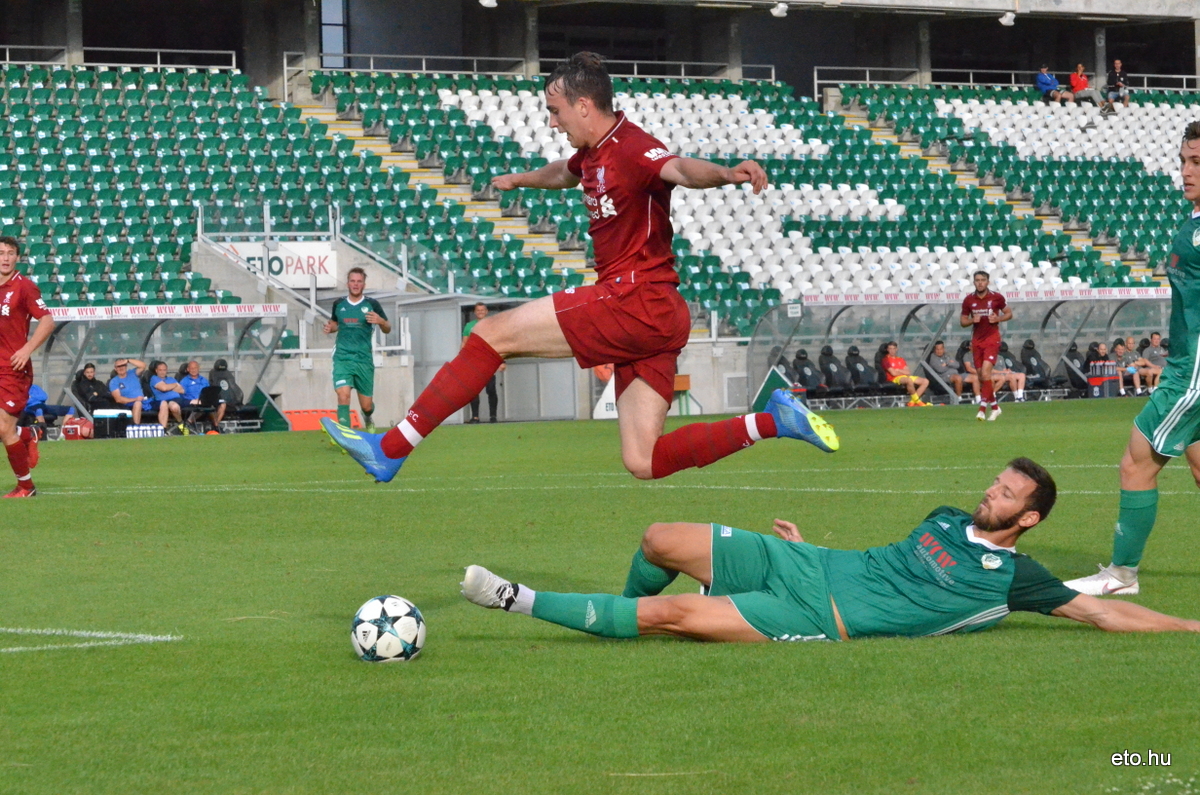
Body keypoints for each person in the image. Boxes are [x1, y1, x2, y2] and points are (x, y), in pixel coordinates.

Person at [322, 52, 839, 483]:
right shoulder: (590, 154)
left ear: (585, 105)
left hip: (635, 300)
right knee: (643, 460)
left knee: (490, 333)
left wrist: (727, 172)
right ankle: (774, 420)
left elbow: (678, 168)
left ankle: (391, 448)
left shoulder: (634, 148)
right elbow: (562, 175)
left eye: (555, 110)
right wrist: (518, 180)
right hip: (657, 315)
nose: (552, 120)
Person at [462, 459, 1200, 642]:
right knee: (660, 537)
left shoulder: (1015, 577)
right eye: (995, 484)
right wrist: (810, 544)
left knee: (674, 612)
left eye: (1007, 495)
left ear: (1030, 518)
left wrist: (1189, 629)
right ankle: (610, 615)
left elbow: (1104, 615)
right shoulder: (944, 517)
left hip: (821, 611)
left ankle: (514, 598)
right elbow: (886, 557)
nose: (991, 494)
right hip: (809, 564)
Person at [1065, 122, 1200, 597]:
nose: (1185, 172)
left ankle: (1122, 576)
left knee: (1135, 461)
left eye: (1197, 163)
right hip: (1189, 362)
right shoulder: (1195, 222)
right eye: (1183, 161)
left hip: (1194, 372)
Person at [0, 236, 54, 497]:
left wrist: (26, 349)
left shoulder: (24, 287)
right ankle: (27, 433)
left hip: (13, 367)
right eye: (1, 253)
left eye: (10, 253)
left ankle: (26, 486)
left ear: (17, 257)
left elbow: (47, 320)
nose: (5, 257)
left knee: (2, 428)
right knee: (4, 428)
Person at [323, 267, 390, 432]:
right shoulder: (339, 304)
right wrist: (331, 328)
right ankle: (346, 436)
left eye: (359, 281)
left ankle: (367, 417)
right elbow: (336, 324)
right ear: (347, 283)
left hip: (363, 360)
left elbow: (387, 328)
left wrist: (381, 321)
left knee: (367, 406)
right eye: (352, 281)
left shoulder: (372, 304)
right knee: (343, 395)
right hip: (342, 357)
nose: (355, 284)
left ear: (364, 284)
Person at [960, 270, 1012, 421]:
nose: (980, 282)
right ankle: (995, 407)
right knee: (982, 377)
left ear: (988, 282)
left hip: (992, 339)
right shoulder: (969, 300)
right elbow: (963, 321)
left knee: (985, 373)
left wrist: (998, 318)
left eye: (983, 280)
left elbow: (1009, 313)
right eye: (977, 280)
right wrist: (971, 320)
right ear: (974, 282)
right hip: (976, 341)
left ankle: (982, 409)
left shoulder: (996, 297)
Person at [462, 303, 504, 423]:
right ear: (475, 312)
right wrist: (462, 360)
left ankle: (493, 416)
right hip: (473, 362)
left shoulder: (492, 324)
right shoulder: (469, 326)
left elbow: (498, 343)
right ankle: (475, 417)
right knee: (473, 390)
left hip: (488, 361)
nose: (480, 312)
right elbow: (464, 343)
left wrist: (501, 361)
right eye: (478, 310)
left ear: (486, 311)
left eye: (482, 310)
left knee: (491, 389)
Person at [179, 359, 226, 433]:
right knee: (203, 404)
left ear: (199, 368)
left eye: (195, 368)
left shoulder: (204, 380)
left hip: (205, 401)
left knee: (222, 404)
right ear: (188, 369)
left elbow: (209, 392)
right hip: (192, 403)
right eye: (191, 368)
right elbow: (180, 395)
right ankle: (189, 422)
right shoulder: (184, 381)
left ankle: (215, 426)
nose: (194, 370)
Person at [880, 341, 929, 407]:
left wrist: (898, 370)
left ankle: (912, 402)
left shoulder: (900, 359)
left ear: (896, 349)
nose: (892, 350)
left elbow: (908, 372)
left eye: (893, 348)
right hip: (895, 378)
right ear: (887, 349)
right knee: (909, 380)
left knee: (925, 381)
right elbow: (893, 373)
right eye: (890, 348)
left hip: (905, 376)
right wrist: (902, 371)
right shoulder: (885, 360)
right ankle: (918, 401)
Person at [149, 360, 185, 433]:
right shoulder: (154, 378)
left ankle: (182, 423)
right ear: (156, 370)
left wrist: (168, 386)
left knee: (175, 406)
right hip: (163, 401)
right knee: (172, 406)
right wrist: (174, 385)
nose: (162, 372)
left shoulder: (171, 379)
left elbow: (181, 390)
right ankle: (176, 425)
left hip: (177, 399)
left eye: (164, 370)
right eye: (160, 370)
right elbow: (164, 388)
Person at [109, 358, 148, 425]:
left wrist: (128, 360)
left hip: (144, 402)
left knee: (162, 403)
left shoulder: (133, 373)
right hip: (127, 404)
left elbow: (143, 366)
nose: (121, 368)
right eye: (118, 366)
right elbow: (118, 399)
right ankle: (135, 429)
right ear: (115, 369)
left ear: (126, 366)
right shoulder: (114, 381)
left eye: (123, 365)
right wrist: (135, 399)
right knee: (137, 403)